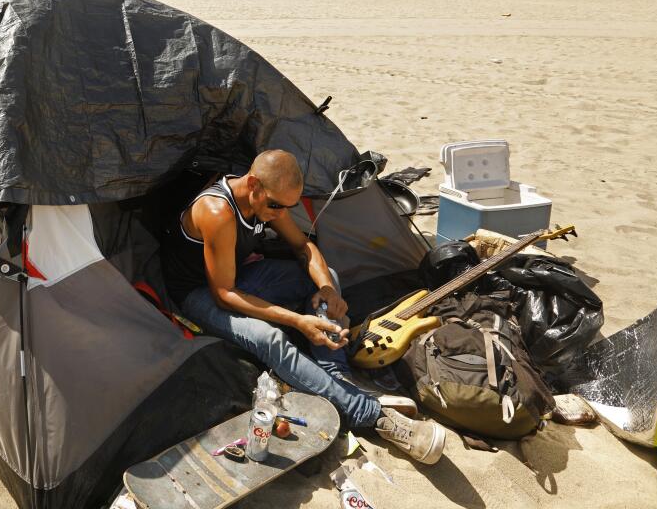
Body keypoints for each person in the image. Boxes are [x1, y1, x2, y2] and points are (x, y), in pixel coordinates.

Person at [162, 150, 446, 464]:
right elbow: (224, 294)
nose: (279, 213)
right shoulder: (218, 212)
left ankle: (336, 376)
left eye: (288, 206)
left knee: (327, 278)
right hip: (198, 293)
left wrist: (326, 288)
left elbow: (303, 246)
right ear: (253, 185)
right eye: (275, 206)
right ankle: (375, 417)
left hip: (240, 275)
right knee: (268, 338)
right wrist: (299, 321)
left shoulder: (268, 199)